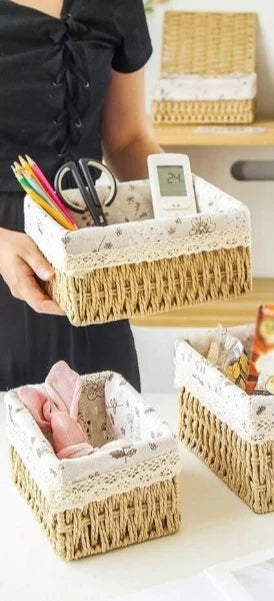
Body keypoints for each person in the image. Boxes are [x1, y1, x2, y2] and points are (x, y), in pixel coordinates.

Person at [0, 0, 162, 390]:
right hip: (7, 261)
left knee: (109, 416)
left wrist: (183, 200)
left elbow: (127, 139)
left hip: (89, 264)